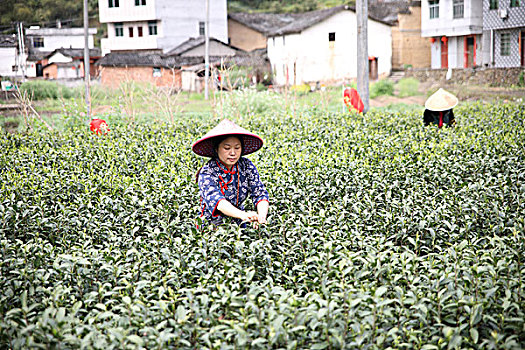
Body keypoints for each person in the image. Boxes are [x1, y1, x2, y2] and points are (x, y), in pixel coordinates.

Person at [192, 119, 269, 227]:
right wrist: (243, 215)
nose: (233, 153)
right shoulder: (207, 172)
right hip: (212, 226)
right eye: (227, 148)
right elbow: (219, 203)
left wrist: (261, 217)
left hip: (239, 222)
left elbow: (259, 192)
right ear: (216, 149)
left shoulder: (246, 166)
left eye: (237, 148)